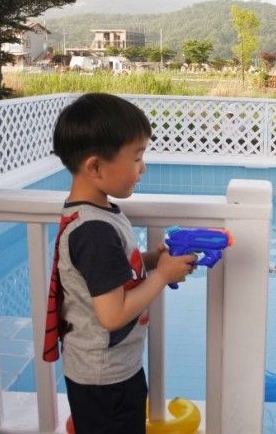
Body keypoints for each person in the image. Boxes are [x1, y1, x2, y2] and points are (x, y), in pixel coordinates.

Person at [42, 93, 196, 434]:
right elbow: (112, 314)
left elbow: (108, 272)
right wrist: (161, 277)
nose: (143, 167)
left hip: (111, 371)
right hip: (103, 380)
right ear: (95, 166)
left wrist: (155, 260)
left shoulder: (95, 214)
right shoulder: (93, 230)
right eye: (137, 157)